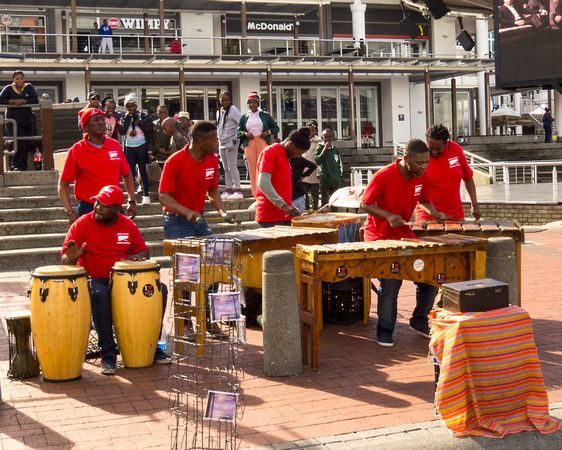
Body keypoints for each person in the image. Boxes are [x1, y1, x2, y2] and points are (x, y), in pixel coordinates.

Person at [61, 185, 170, 374]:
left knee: (159, 289)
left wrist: (137, 257)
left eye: (104, 204)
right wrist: (72, 256)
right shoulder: (81, 224)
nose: (97, 207)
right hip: (94, 279)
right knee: (100, 293)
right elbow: (64, 260)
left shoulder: (127, 224)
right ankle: (108, 355)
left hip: (124, 280)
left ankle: (151, 348)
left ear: (117, 209)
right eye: (97, 202)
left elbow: (142, 249)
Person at [360, 139, 448, 347]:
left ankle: (419, 321)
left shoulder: (423, 176)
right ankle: (385, 330)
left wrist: (433, 212)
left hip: (404, 234)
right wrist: (388, 216)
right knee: (392, 279)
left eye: (426, 162)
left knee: (430, 276)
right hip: (379, 235)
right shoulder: (384, 176)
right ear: (406, 159)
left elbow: (423, 200)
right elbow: (364, 203)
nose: (424, 167)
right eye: (419, 163)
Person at [59, 108, 137, 223]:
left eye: (102, 119)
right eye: (95, 120)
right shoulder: (76, 151)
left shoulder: (115, 145)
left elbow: (127, 174)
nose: (101, 122)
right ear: (86, 127)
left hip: (114, 207)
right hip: (88, 208)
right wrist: (69, 212)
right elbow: (63, 184)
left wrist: (132, 200)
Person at [158, 120, 235, 239]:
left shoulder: (213, 160)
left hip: (199, 220)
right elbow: (163, 196)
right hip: (176, 221)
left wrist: (223, 212)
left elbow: (213, 191)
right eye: (214, 140)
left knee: (213, 254)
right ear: (201, 142)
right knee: (186, 257)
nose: (217, 144)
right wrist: (187, 212)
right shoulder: (174, 161)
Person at [415, 124, 481, 222]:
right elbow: (416, 192)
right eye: (431, 147)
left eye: (438, 149)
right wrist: (434, 213)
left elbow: (468, 178)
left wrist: (474, 205)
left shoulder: (456, 150)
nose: (433, 152)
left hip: (455, 215)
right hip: (427, 216)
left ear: (446, 143)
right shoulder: (420, 153)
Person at [255, 127, 311, 227]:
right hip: (270, 217)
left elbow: (282, 190)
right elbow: (263, 183)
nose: (298, 156)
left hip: (284, 215)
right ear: (290, 144)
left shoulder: (285, 157)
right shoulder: (270, 152)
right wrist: (284, 206)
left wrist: (293, 208)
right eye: (298, 153)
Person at [236, 91, 280, 204]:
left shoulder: (265, 115)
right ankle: (256, 196)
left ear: (258, 103)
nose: (252, 105)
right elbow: (238, 131)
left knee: (263, 168)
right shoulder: (245, 117)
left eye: (254, 102)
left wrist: (268, 132)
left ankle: (265, 193)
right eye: (250, 103)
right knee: (252, 170)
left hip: (262, 142)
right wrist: (245, 134)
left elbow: (276, 128)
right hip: (250, 143)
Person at [118, 93, 154, 205]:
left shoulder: (143, 116)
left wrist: (139, 121)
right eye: (128, 106)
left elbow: (149, 130)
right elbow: (122, 131)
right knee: (130, 172)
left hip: (141, 145)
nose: (131, 108)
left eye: (133, 106)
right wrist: (128, 118)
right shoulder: (124, 117)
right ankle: (131, 197)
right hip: (129, 146)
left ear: (136, 105)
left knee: (142, 170)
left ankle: (146, 195)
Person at [0, 70, 39, 171]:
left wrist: (23, 101)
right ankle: (17, 166)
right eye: (17, 79)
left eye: (21, 78)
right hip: (12, 121)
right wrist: (12, 101)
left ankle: (23, 166)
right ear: (13, 80)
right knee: (20, 141)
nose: (19, 80)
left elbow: (35, 99)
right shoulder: (9, 88)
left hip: (27, 120)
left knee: (27, 142)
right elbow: (1, 99)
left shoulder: (29, 87)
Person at [217, 91, 243, 200]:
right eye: (222, 100)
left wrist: (236, 138)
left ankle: (238, 190)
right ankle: (228, 190)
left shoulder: (234, 111)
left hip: (231, 142)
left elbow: (242, 124)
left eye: (226, 100)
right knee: (225, 167)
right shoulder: (220, 112)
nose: (224, 102)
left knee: (232, 166)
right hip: (222, 142)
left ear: (230, 100)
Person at [315, 128, 343, 208]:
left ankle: (335, 218)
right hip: (325, 180)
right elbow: (318, 161)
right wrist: (324, 149)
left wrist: (339, 177)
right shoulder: (320, 148)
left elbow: (339, 163)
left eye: (330, 137)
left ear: (333, 138)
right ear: (322, 138)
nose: (328, 139)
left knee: (335, 202)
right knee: (325, 202)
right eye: (326, 137)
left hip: (335, 180)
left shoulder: (335, 149)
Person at [302, 120, 322, 211]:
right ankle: (306, 209)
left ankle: (314, 209)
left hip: (314, 173)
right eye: (308, 130)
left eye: (313, 130)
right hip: (304, 172)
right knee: (304, 192)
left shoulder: (318, 142)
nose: (310, 133)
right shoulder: (302, 141)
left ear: (316, 131)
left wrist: (318, 172)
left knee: (315, 194)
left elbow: (319, 159)